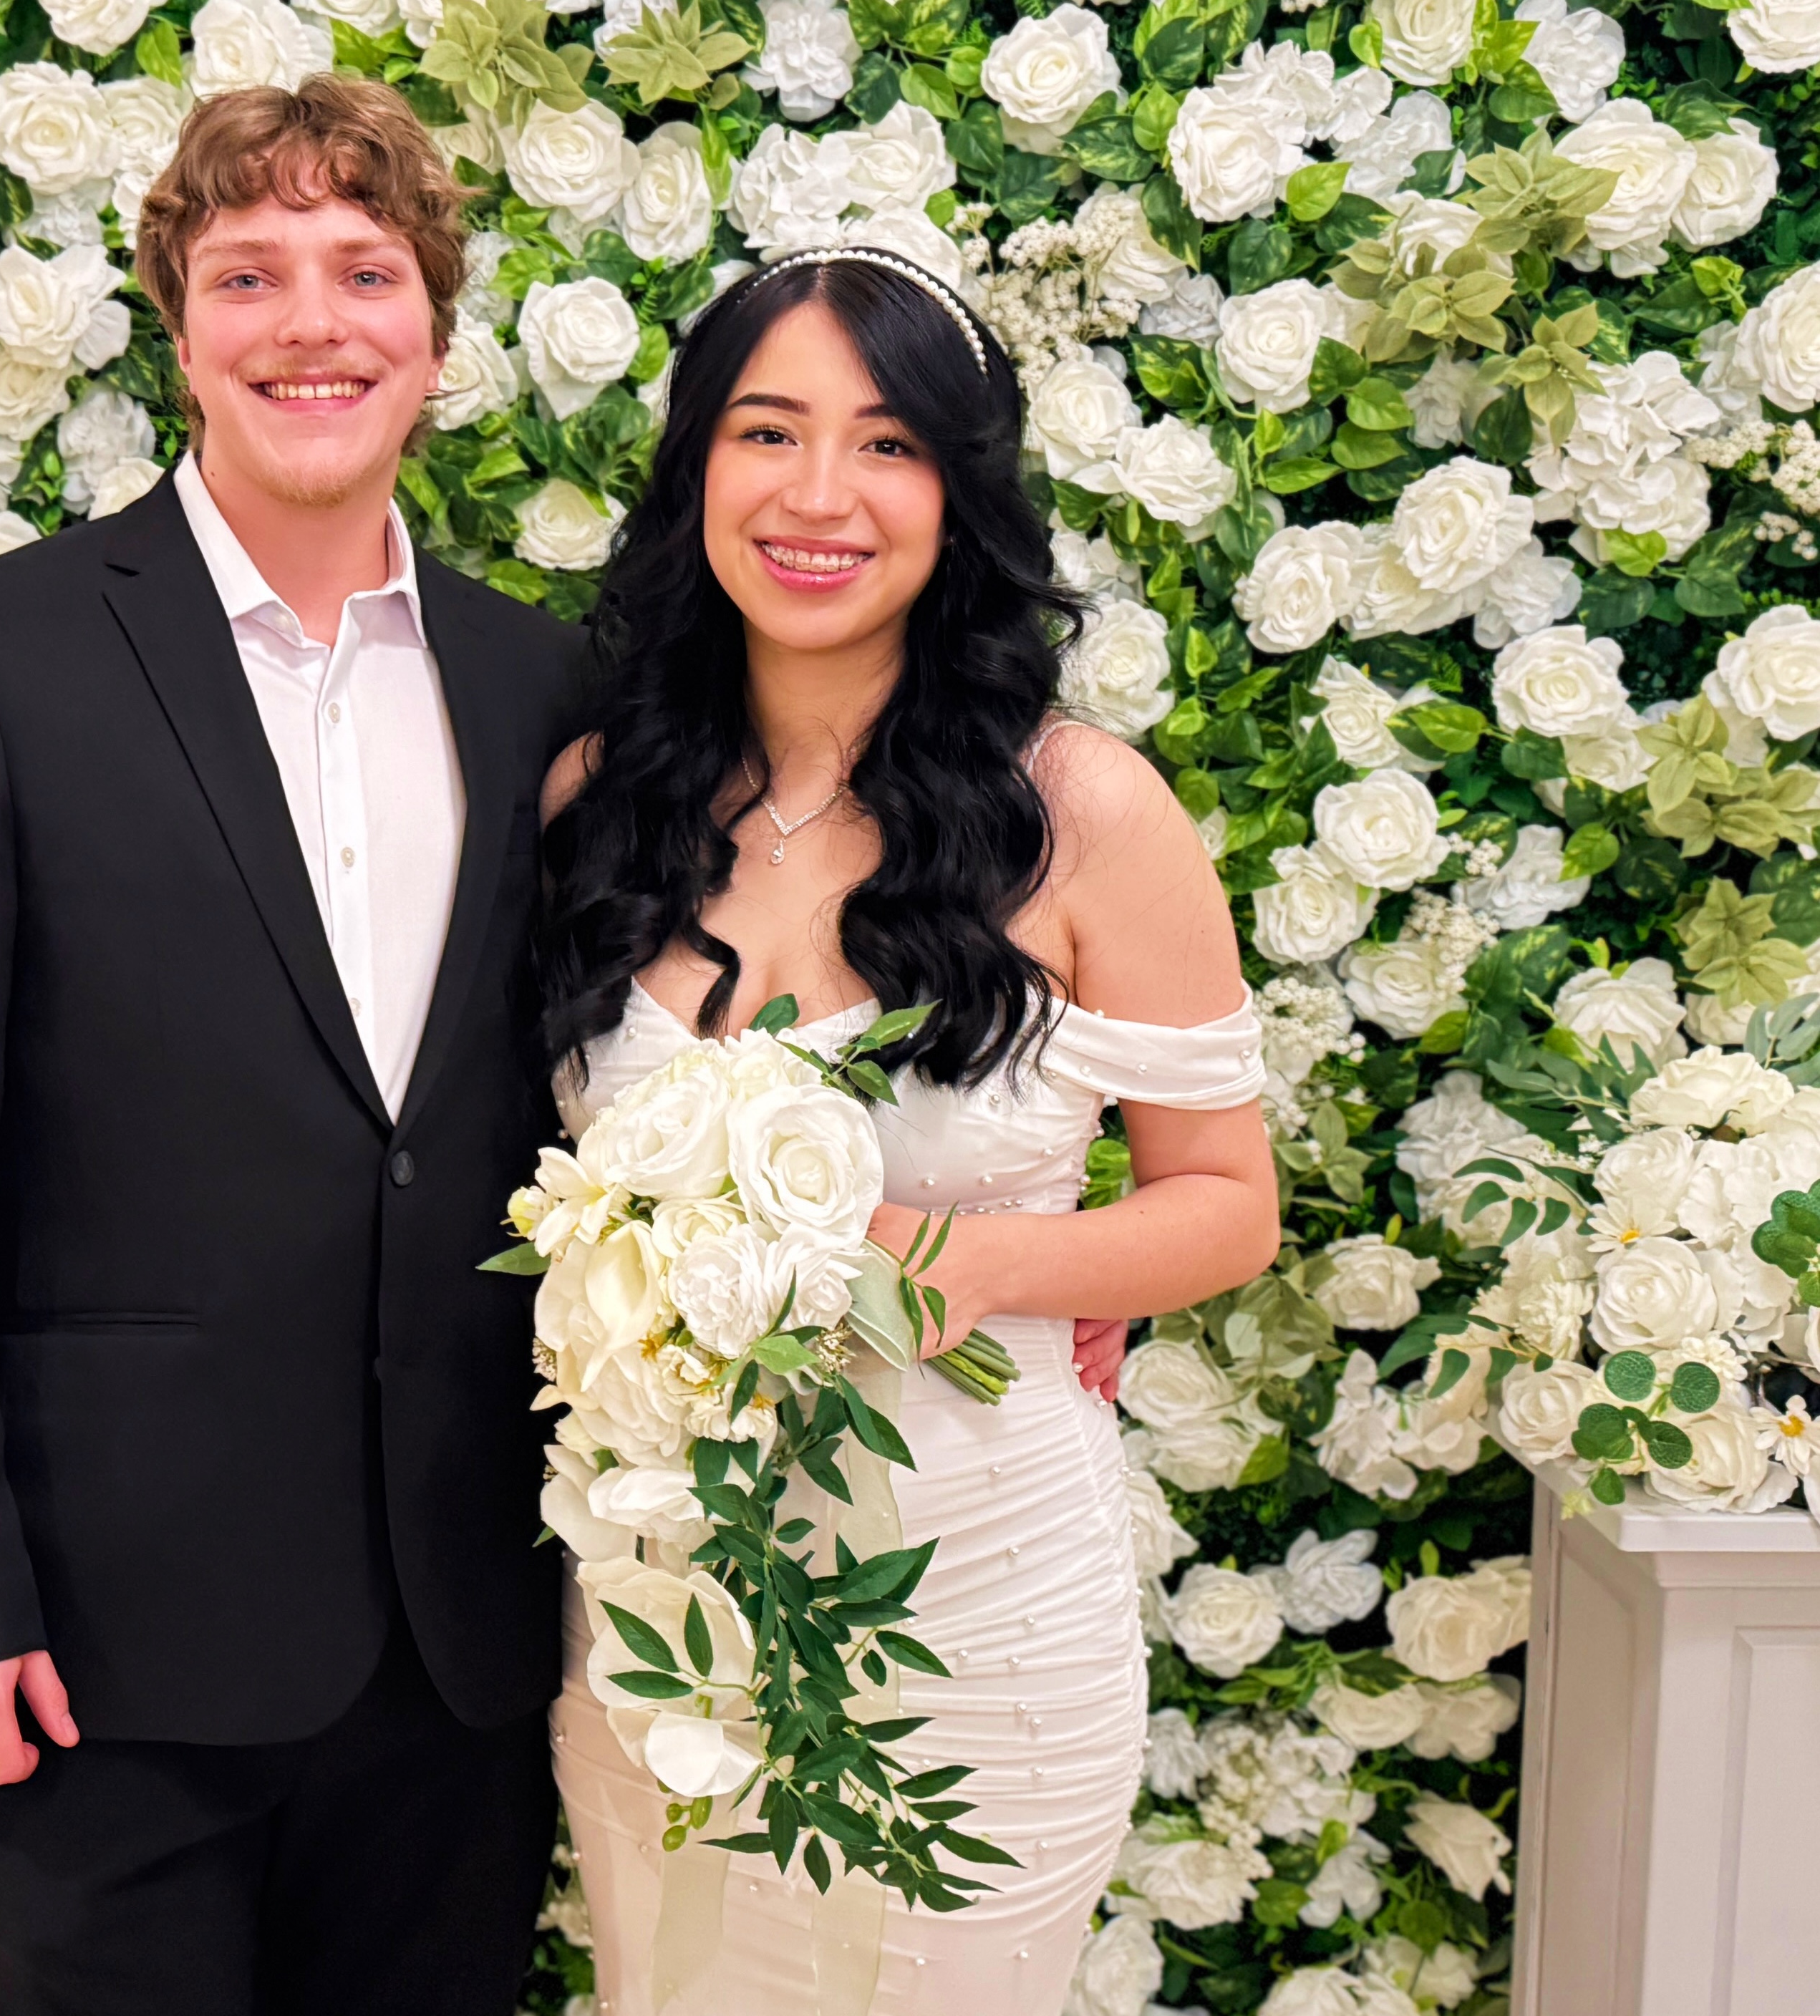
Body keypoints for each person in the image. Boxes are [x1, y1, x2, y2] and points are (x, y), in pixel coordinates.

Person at [0, 78, 583, 2015]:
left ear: (432, 326)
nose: (311, 320)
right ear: (177, 325)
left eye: (361, 268)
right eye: (250, 272)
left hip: (452, 1653)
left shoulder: (542, 679)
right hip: (83, 1656)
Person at [535, 250, 1282, 2014]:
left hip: (981, 1601)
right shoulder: (598, 800)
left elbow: (1224, 1203)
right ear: (694, 470)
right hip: (662, 1623)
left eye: (882, 445)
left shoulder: (1082, 810)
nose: (816, 496)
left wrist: (951, 1265)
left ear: (959, 486)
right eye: (765, 431)